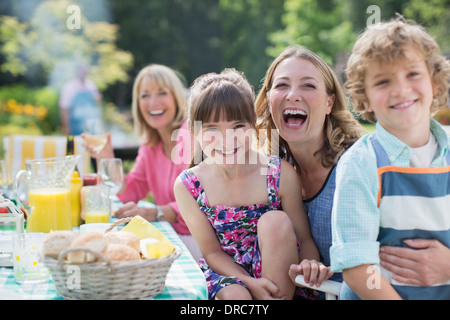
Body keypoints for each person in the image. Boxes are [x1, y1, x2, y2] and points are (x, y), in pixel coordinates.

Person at [174, 68, 330, 300]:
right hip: (227, 274)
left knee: (274, 221)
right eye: (212, 129)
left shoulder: (277, 174)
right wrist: (249, 283)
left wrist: (310, 261)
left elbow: (304, 238)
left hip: (279, 272)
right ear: (194, 131)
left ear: (253, 125)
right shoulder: (190, 185)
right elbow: (211, 252)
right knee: (237, 295)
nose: (227, 140)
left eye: (238, 126)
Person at [330, 18, 450, 299]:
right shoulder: (362, 164)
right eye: (383, 81)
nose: (400, 89)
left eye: (412, 74)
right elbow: (358, 269)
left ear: (434, 80)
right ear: (365, 99)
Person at [255, 45, 365, 298]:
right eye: (282, 85)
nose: (293, 95)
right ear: (268, 98)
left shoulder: (358, 164)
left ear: (329, 103)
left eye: (308, 85)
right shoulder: (271, 171)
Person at [83, 64, 201, 261]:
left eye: (162, 93)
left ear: (177, 99)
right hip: (173, 236)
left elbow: (201, 198)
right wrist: (107, 158)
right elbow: (131, 190)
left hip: (200, 241)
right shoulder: (150, 145)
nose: (152, 102)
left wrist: (157, 212)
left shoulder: (189, 134)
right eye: (144, 95)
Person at [59, 63, 102, 135]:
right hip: (75, 127)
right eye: (83, 71)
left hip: (91, 127)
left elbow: (97, 103)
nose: (84, 73)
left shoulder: (91, 85)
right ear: (77, 71)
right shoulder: (69, 87)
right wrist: (66, 127)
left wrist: (98, 99)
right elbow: (64, 109)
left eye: (86, 71)